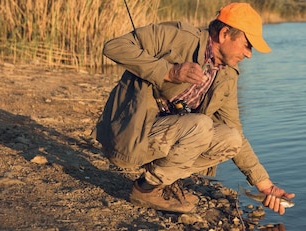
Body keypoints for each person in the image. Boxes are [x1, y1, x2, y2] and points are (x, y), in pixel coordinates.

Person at [94, 2, 295, 215]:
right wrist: (168, 71)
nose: (249, 54)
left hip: (162, 138)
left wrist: (264, 185)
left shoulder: (226, 74)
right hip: (127, 137)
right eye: (247, 45)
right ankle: (145, 191)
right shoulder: (179, 37)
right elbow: (114, 46)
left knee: (231, 138)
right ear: (225, 34)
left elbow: (235, 130)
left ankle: (160, 181)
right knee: (201, 125)